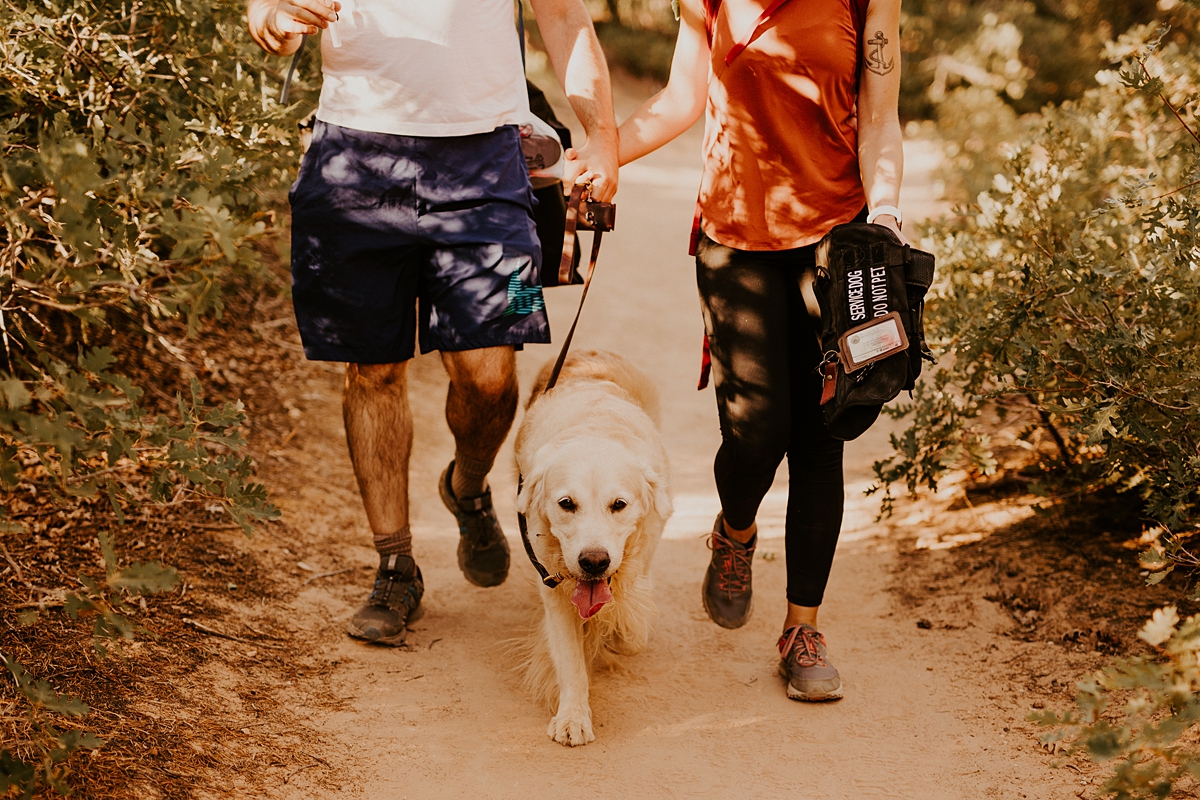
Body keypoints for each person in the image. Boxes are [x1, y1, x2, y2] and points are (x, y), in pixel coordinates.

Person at [246, 0, 618, 645]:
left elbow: (565, 19)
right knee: (373, 369)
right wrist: (276, 20)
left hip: (489, 164)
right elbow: (266, 17)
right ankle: (395, 564)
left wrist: (603, 135)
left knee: (491, 374)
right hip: (352, 161)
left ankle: (467, 486)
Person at [616, 0, 905, 699]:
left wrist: (887, 215)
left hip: (837, 237)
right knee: (755, 430)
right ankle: (735, 533)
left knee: (819, 437)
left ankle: (802, 630)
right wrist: (600, 151)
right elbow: (682, 98)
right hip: (733, 236)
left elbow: (879, 116)